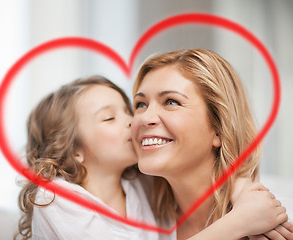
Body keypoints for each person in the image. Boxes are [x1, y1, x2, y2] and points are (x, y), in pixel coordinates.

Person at [16, 75, 289, 240]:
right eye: (110, 118)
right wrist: (239, 221)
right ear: (74, 148)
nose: (135, 121)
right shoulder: (54, 197)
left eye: (129, 110)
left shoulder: (140, 184)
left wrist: (242, 190)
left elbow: (204, 172)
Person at [131, 48, 293, 240]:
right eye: (141, 104)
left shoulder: (276, 220)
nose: (145, 118)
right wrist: (237, 223)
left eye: (171, 102)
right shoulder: (137, 213)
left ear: (219, 128)